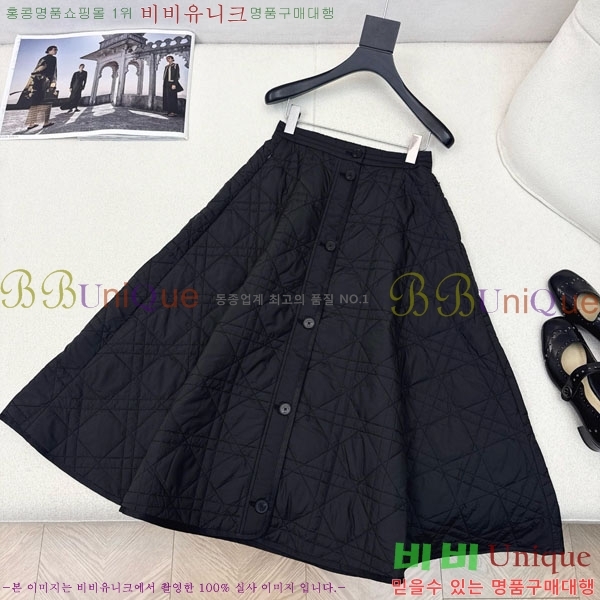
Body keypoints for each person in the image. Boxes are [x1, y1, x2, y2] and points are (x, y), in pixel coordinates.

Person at [23, 45, 58, 130]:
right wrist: (52, 82)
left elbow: (37, 69)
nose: (56, 51)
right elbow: (47, 68)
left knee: (35, 102)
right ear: (49, 50)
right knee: (47, 101)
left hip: (37, 82)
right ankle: (46, 122)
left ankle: (31, 124)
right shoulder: (52, 58)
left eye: (56, 50)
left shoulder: (42, 58)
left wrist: (35, 73)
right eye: (55, 50)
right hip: (45, 82)